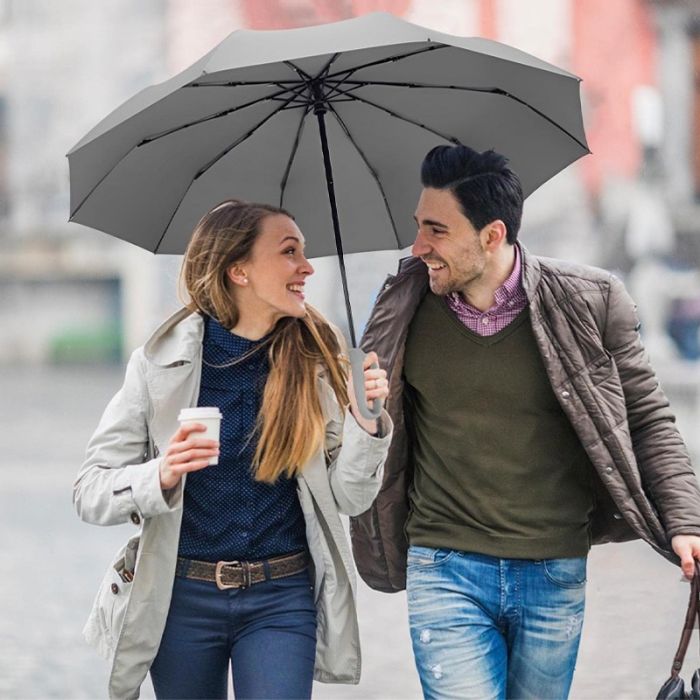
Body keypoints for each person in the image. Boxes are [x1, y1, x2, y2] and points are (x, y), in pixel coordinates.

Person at [349, 145, 700, 699]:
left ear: (491, 235)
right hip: (444, 565)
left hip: (552, 569)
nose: (419, 247)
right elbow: (369, 434)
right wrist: (364, 406)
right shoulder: (403, 304)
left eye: (436, 231)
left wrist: (685, 521)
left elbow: (648, 419)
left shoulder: (590, 300)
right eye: (419, 227)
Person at [74, 199, 392, 700]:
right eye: (289, 252)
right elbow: (89, 490)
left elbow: (350, 499)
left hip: (282, 597)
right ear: (238, 270)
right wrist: (160, 474)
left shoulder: (317, 362)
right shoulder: (158, 365)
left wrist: (365, 423)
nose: (307, 267)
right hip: (181, 598)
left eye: (304, 252)